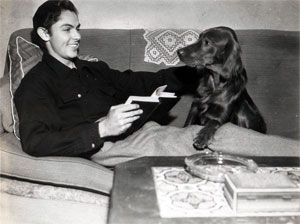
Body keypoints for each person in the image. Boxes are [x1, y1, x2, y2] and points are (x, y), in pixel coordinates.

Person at [15, 0, 299, 167]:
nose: (76, 36)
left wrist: (195, 65)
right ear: (44, 33)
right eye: (66, 29)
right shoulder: (36, 84)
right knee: (217, 136)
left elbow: (136, 81)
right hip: (108, 147)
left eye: (78, 28)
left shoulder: (92, 68)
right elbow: (35, 140)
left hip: (146, 132)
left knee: (210, 133)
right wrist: (102, 128)